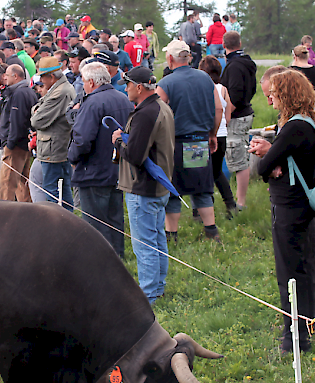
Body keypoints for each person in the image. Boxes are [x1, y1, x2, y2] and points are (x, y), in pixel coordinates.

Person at [248, 69, 315, 354]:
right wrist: (276, 154)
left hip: (290, 208)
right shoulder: (307, 121)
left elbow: (264, 169)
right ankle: (308, 324)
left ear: (287, 95)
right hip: (304, 206)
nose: (272, 99)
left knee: (289, 272)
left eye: (276, 93)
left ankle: (295, 337)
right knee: (305, 266)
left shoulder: (293, 127)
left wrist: (270, 155)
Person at [113, 66, 175, 304]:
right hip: (159, 186)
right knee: (157, 240)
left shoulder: (145, 114)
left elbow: (136, 156)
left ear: (139, 87)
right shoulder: (162, 107)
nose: (125, 89)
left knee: (145, 245)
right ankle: (157, 288)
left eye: (127, 85)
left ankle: (149, 295)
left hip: (143, 189)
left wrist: (118, 141)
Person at [156, 40, 223, 243]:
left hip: (175, 144)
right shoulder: (205, 78)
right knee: (201, 188)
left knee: (174, 189)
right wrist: (212, 134)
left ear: (170, 58)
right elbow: (218, 108)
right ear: (189, 57)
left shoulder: (166, 83)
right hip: (199, 141)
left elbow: (156, 113)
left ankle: (171, 235)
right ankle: (211, 231)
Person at [68, 62, 134, 257]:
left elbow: (82, 139)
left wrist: (72, 157)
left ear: (91, 82)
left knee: (95, 223)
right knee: (115, 220)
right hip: (118, 169)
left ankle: (100, 264)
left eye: (83, 80)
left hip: (94, 171)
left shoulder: (92, 102)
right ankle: (118, 260)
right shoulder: (124, 99)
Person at [31, 57, 76, 211]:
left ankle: (57, 226)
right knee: (62, 191)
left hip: (53, 149)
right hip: (55, 148)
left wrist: (37, 112)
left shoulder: (60, 92)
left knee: (53, 193)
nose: (41, 81)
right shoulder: (59, 88)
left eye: (42, 76)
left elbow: (37, 120)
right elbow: (37, 110)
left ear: (51, 76)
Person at [220, 31, 256, 212]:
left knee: (239, 158)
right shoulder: (247, 62)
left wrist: (225, 117)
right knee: (239, 154)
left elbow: (234, 94)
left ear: (223, 44)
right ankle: (238, 200)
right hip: (245, 112)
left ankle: (240, 203)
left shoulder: (234, 66)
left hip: (237, 116)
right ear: (240, 43)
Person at [0, 64, 38, 201]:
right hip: (24, 144)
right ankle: (27, 212)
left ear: (16, 76)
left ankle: (4, 214)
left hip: (15, 145)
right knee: (22, 183)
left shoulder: (19, 94)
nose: (4, 77)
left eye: (7, 74)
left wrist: (9, 144)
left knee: (6, 183)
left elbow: (17, 121)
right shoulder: (27, 91)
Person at [199, 56, 236, 219]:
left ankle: (199, 210)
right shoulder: (223, 89)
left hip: (203, 136)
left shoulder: (200, 88)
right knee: (217, 172)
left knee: (199, 173)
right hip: (221, 135)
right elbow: (227, 117)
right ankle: (231, 204)